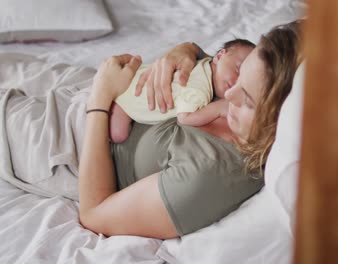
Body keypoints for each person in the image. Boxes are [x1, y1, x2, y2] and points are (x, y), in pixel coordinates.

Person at [78, 20, 303, 239]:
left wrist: (100, 96)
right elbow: (213, 63)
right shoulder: (246, 92)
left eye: (248, 101)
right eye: (240, 75)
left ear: (281, 121)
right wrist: (186, 49)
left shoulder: (209, 173)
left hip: (72, 143)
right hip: (85, 89)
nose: (230, 95)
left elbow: (93, 214)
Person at [109, 39, 255, 143]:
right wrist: (219, 108)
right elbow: (185, 118)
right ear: (219, 56)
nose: (237, 81)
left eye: (244, 83)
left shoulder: (201, 63)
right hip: (124, 96)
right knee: (118, 135)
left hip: (134, 75)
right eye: (238, 70)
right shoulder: (200, 89)